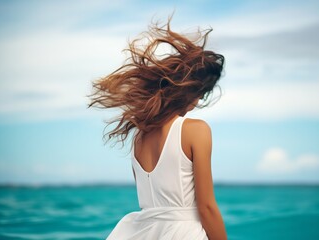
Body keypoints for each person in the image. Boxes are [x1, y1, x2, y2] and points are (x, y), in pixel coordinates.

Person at [87, 15, 227, 240]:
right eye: (200, 94)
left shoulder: (138, 139)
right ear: (188, 88)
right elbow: (207, 208)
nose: (199, 102)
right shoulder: (196, 130)